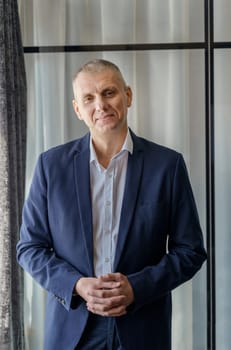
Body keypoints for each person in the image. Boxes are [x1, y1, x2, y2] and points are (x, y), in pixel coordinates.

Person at [17, 59, 207, 350]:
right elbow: (29, 248)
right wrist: (77, 285)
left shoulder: (167, 166)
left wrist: (136, 288)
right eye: (89, 98)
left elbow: (190, 250)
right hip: (73, 328)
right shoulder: (50, 166)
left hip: (142, 327)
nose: (101, 105)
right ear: (77, 109)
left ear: (127, 96)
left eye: (109, 92)